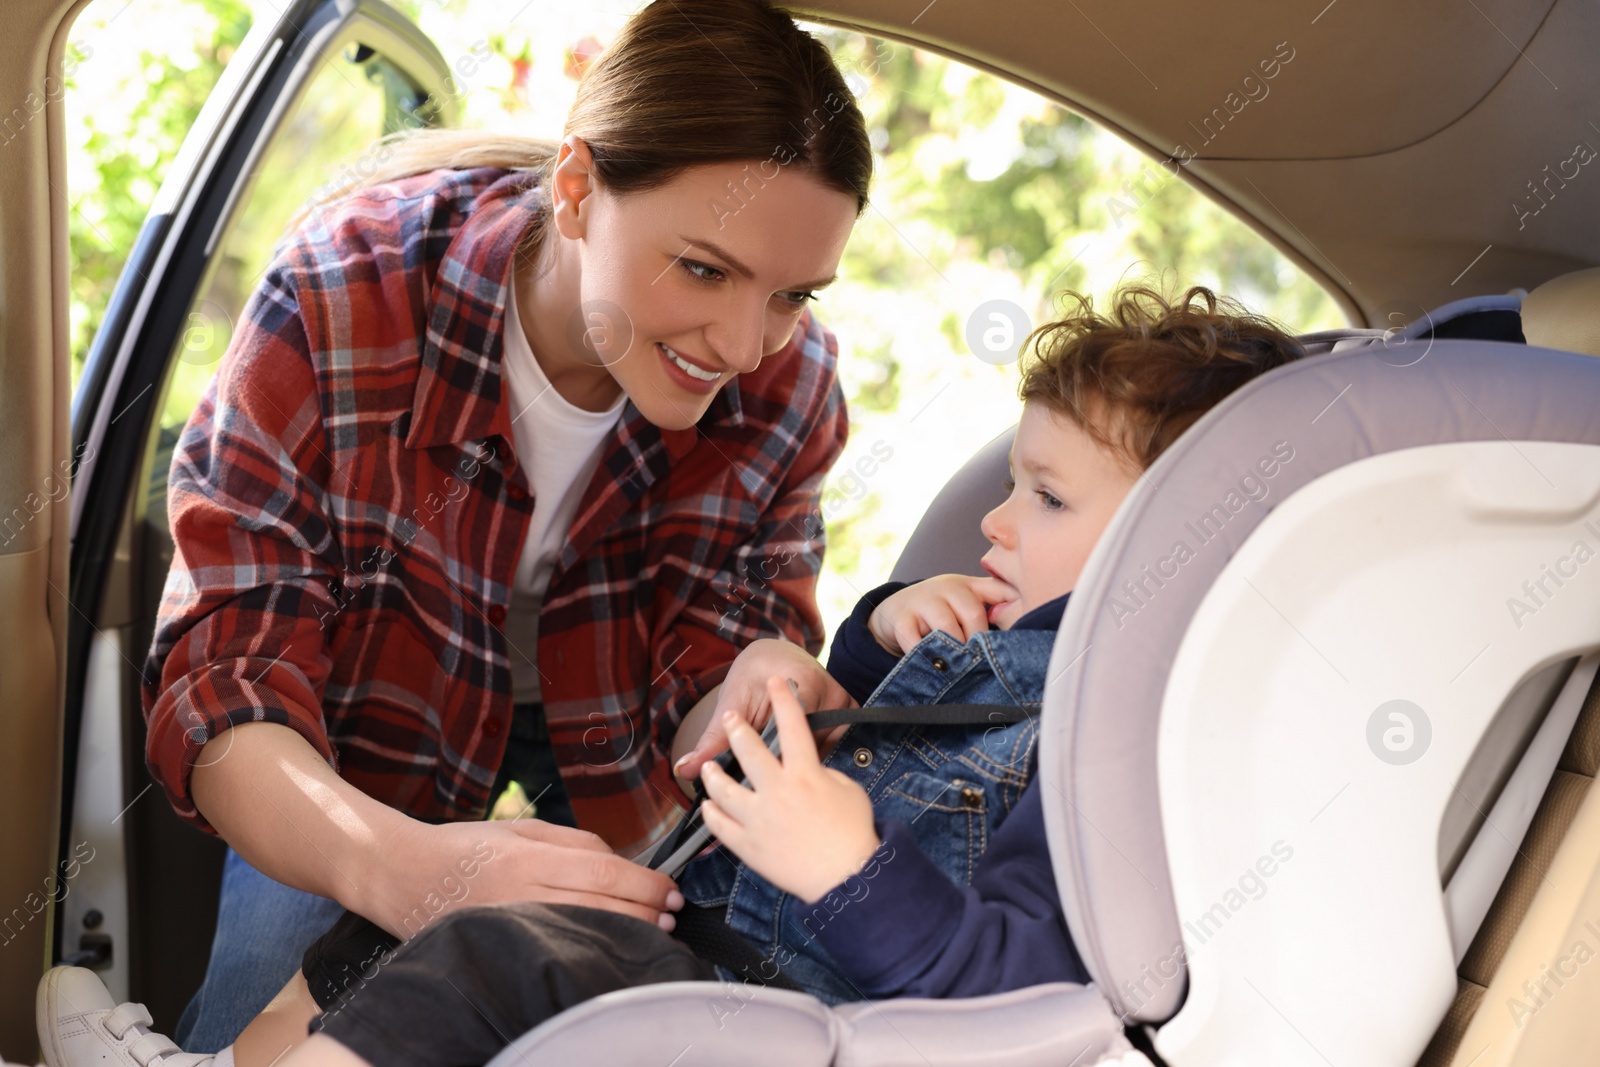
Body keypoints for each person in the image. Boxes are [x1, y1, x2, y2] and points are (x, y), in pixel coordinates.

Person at [39, 285, 1309, 1067]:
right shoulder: (990, 641)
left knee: (491, 954)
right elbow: (865, 726)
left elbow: (1021, 982)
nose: (994, 523)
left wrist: (850, 870)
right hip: (699, 924)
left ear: (1179, 537)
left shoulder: (1112, 739)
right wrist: (870, 639)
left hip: (777, 993)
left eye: (1043, 498)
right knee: (454, 886)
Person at [130, 0, 873, 1053]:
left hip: (618, 727)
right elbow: (225, 677)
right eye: (704, 269)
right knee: (259, 1021)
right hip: (360, 728)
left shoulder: (791, 384)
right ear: (576, 192)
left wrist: (752, 672)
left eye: (792, 293)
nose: (747, 344)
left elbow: (717, 644)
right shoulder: (346, 293)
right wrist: (398, 867)